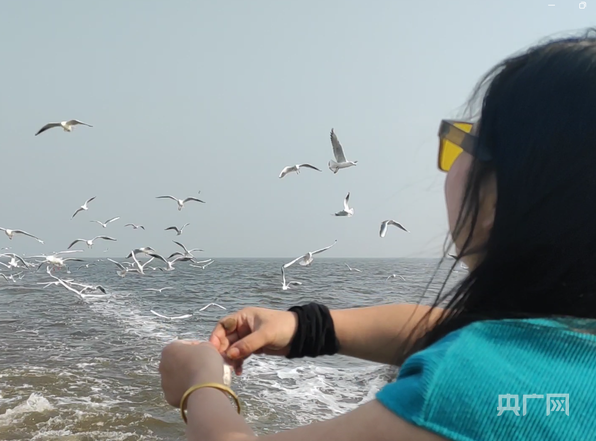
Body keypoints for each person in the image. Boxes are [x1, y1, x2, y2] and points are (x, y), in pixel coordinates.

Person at [158, 29, 596, 440]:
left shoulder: (469, 388)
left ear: (500, 198)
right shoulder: (565, 345)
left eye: (460, 143)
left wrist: (201, 384)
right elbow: (449, 326)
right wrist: (305, 327)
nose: (447, 161)